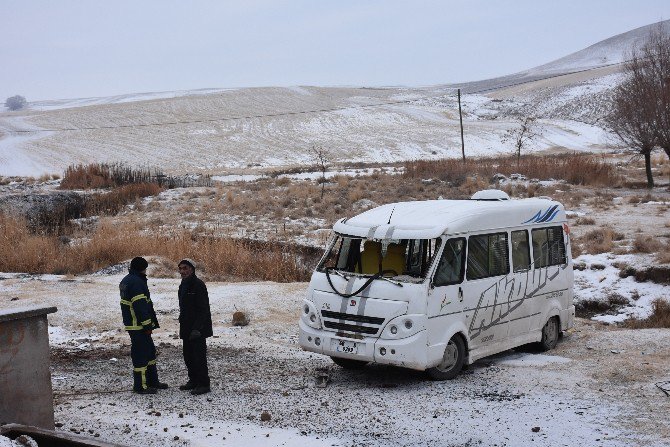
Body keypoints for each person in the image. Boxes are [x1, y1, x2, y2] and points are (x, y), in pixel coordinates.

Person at [119, 257, 168, 394]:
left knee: (150, 352)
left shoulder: (127, 280)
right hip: (138, 325)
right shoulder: (136, 282)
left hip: (134, 324)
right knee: (141, 355)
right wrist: (147, 325)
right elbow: (140, 306)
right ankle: (141, 386)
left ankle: (153, 381)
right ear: (143, 268)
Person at [177, 258, 213, 395]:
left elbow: (203, 309)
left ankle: (203, 384)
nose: (182, 271)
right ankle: (193, 381)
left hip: (198, 328)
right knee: (188, 356)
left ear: (192, 269)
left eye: (185, 268)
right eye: (180, 268)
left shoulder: (198, 285)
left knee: (199, 357)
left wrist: (197, 328)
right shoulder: (183, 284)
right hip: (186, 326)